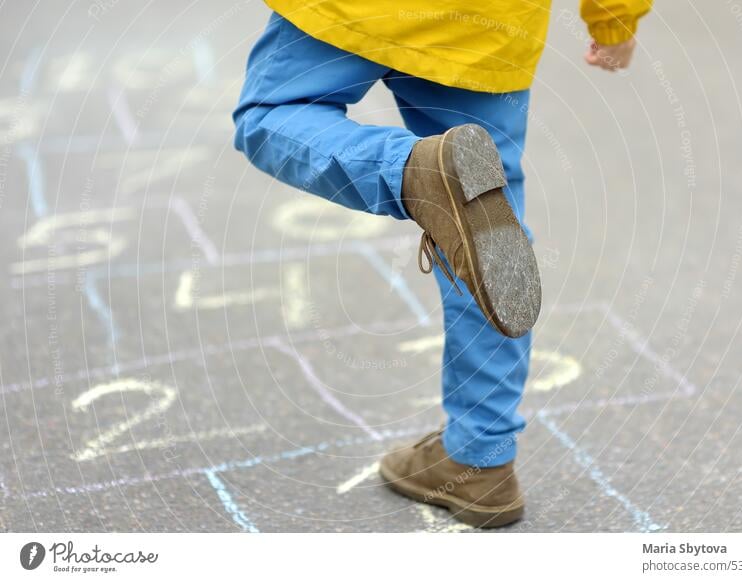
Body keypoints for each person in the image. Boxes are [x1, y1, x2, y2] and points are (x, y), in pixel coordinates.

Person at [233, 0, 652, 528]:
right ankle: (481, 458)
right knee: (486, 222)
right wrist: (615, 20)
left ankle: (412, 172)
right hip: (491, 27)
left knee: (271, 116)